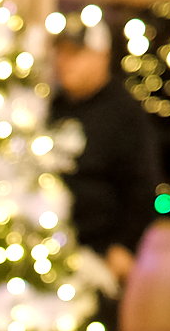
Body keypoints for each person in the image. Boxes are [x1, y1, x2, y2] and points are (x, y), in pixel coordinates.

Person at [49, 27, 163, 287]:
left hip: (97, 256)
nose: (63, 62)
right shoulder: (54, 107)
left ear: (102, 56)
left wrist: (125, 246)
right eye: (61, 52)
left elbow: (143, 185)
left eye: (75, 54)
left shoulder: (124, 114)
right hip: (49, 248)